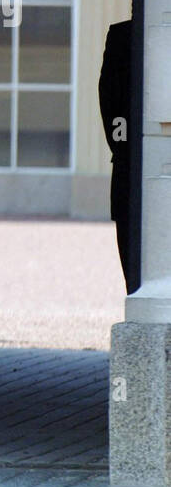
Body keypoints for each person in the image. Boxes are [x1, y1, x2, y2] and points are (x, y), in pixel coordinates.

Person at [99, 19, 134, 294]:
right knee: (134, 280)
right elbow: (110, 102)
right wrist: (123, 149)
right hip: (129, 172)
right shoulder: (123, 36)